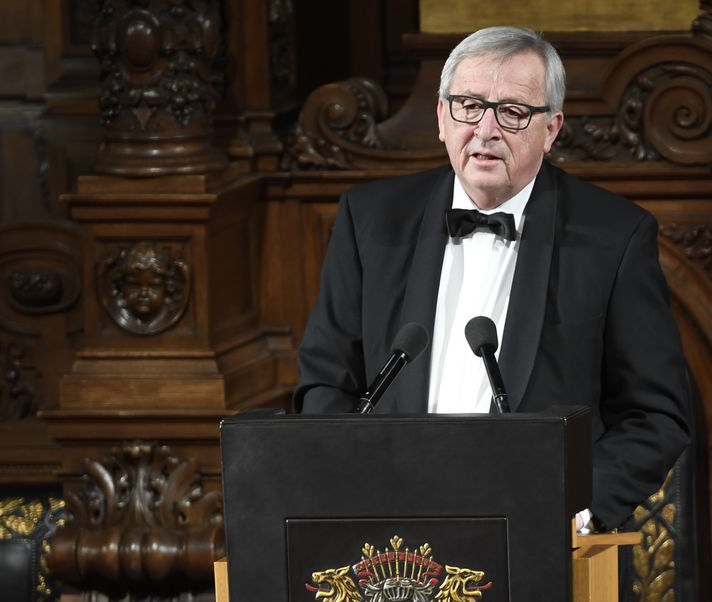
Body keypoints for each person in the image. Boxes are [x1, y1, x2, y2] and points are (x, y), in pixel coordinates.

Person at [292, 26, 690, 532]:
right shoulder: (369, 220)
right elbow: (326, 383)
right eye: (469, 106)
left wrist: (578, 512)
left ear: (551, 129)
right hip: (389, 529)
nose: (486, 129)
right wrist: (354, 492)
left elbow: (656, 414)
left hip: (535, 532)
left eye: (513, 112)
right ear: (442, 117)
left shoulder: (615, 237)